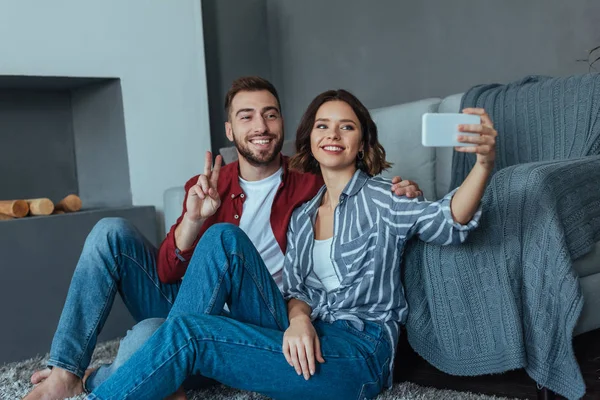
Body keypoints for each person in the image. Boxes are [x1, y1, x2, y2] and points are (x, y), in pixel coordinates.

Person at [23, 77, 422, 400]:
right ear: (230, 130)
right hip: (195, 303)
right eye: (247, 117)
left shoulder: (312, 186)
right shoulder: (211, 184)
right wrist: (193, 222)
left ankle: (147, 375)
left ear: (282, 123)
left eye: (270, 115)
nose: (260, 126)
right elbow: (164, 273)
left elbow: (357, 192)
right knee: (110, 232)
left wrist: (402, 189)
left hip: (260, 313)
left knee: (145, 340)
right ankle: (66, 373)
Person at [83, 88, 496, 400]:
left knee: (186, 335)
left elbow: (449, 218)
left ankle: (110, 385)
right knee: (222, 237)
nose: (333, 134)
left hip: (358, 350)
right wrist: (298, 319)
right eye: (323, 125)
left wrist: (483, 164)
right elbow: (297, 291)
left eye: (346, 126)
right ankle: (143, 379)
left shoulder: (386, 198)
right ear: (310, 139)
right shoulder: (303, 214)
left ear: (361, 142)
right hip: (302, 333)